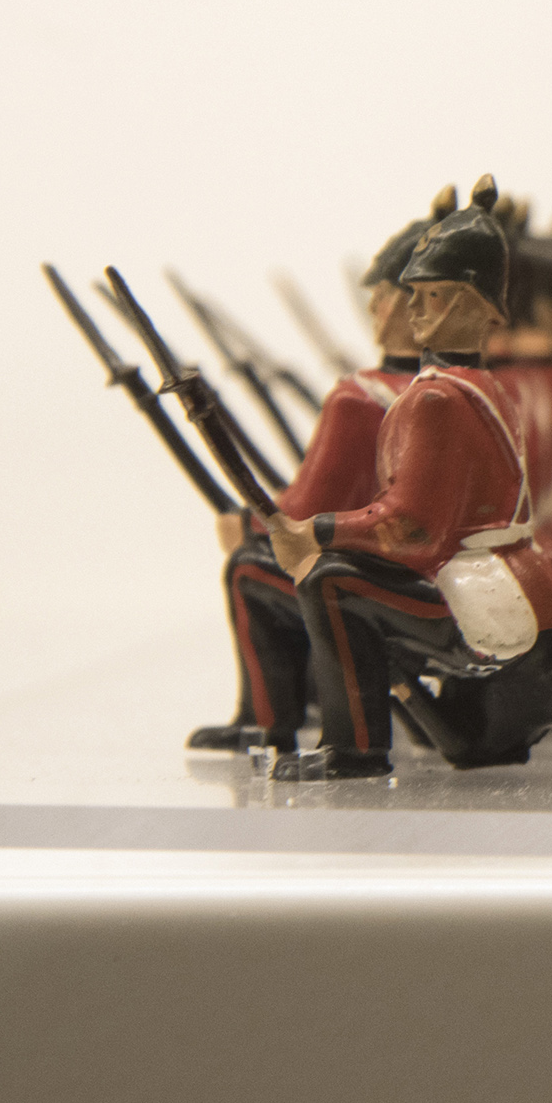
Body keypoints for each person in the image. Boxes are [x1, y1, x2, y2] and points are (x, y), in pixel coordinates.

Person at [267, 179, 552, 780]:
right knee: (468, 746)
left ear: (470, 304)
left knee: (330, 583)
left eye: (430, 296)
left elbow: (413, 528)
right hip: (524, 576)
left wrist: (319, 532)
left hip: (477, 583)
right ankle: (544, 697)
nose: (411, 309)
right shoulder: (488, 386)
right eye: (413, 294)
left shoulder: (434, 398)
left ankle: (353, 749)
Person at [195, 196, 442, 753]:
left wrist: (252, 530)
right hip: (439, 563)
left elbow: (306, 510)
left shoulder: (359, 399)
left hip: (392, 567)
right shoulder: (469, 387)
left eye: (381, 298)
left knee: (249, 571)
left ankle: (267, 719)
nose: (374, 309)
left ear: (407, 308)